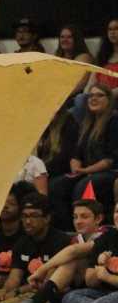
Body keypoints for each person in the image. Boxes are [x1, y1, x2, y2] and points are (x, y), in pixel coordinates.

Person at [0, 199, 104, 303]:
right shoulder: (76, 239)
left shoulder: (106, 234)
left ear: (98, 219)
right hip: (82, 292)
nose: (78, 221)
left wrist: (41, 270)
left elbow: (73, 253)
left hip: (106, 291)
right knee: (68, 298)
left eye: (84, 217)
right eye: (75, 217)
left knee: (70, 261)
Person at [0, 193, 70, 303]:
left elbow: (47, 283)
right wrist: (5, 291)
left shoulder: (60, 241)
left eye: (34, 216)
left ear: (47, 218)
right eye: (24, 216)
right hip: (22, 291)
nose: (28, 221)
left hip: (42, 295)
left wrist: (17, 291)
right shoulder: (22, 242)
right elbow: (14, 277)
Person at [49, 84, 118, 226]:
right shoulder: (87, 123)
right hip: (86, 171)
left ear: (109, 100)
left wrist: (85, 171)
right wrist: (76, 168)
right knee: (57, 185)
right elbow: (76, 154)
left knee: (83, 186)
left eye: (99, 95)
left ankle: (89, 227)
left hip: (109, 172)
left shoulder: (114, 121)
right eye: (91, 96)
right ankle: (67, 228)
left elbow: (110, 160)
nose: (93, 98)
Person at [36, 104, 81, 180]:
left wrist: (41, 170)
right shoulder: (45, 125)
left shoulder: (69, 124)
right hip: (44, 169)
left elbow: (65, 157)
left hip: (59, 171)